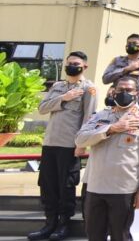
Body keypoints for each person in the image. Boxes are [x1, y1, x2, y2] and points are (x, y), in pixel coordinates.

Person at [75, 77, 139, 241]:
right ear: (113, 92)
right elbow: (80, 140)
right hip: (96, 186)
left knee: (120, 235)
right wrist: (112, 128)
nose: (124, 93)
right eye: (120, 90)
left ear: (137, 93)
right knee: (94, 234)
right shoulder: (100, 116)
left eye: (129, 90)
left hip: (124, 188)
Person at [29, 51, 97, 241]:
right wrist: (64, 98)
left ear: (84, 66)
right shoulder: (58, 86)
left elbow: (89, 117)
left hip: (69, 145)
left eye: (75, 63)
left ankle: (63, 224)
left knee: (65, 185)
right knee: (47, 184)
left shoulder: (89, 89)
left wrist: (81, 144)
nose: (71, 66)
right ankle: (49, 223)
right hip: (50, 143)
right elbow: (42, 108)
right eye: (69, 63)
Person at [101, 34, 139, 109]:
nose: (130, 45)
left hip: (135, 104)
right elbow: (105, 79)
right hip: (115, 103)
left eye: (134, 43)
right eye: (128, 43)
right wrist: (126, 69)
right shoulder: (117, 60)